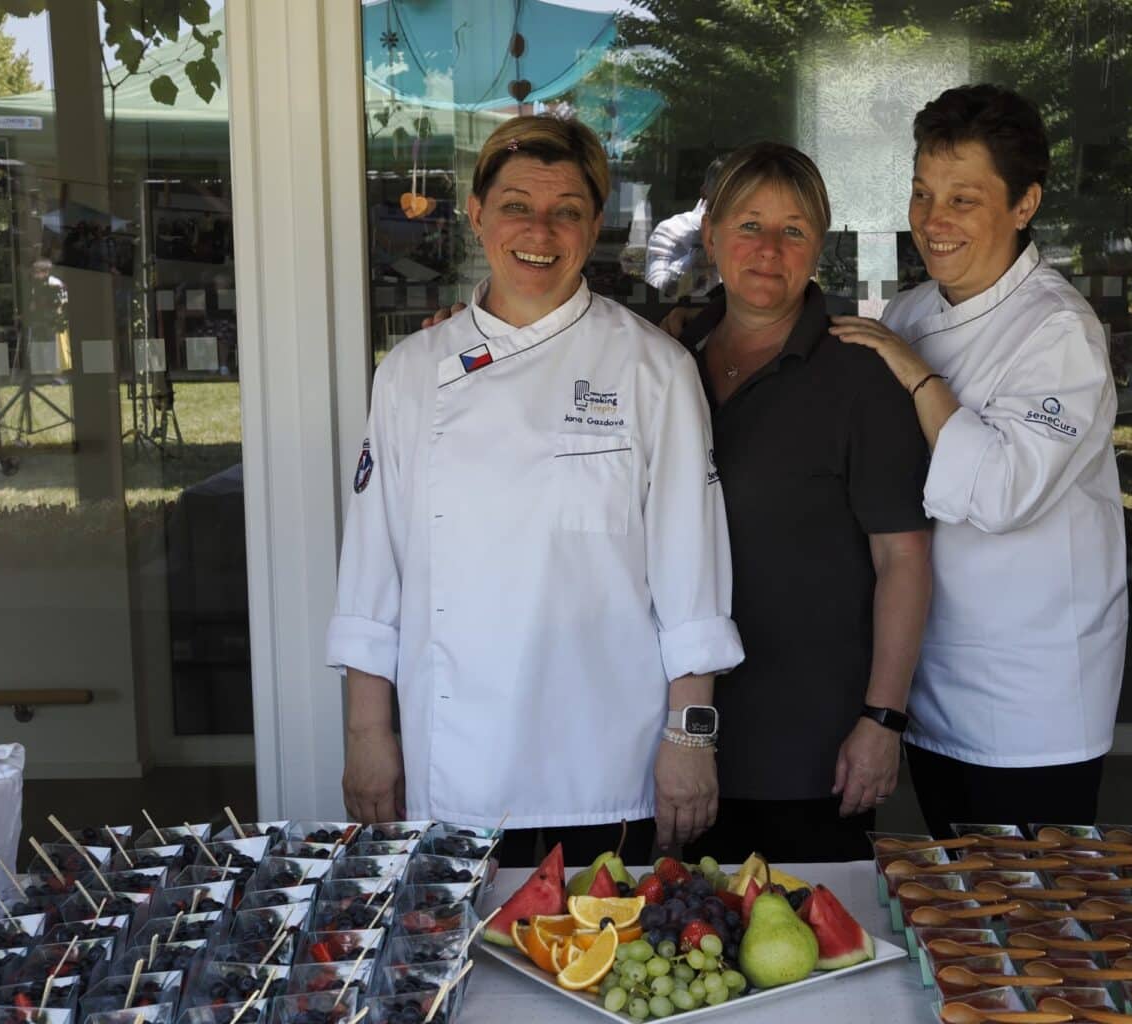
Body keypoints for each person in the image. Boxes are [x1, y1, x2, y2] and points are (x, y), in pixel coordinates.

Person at [327, 114, 744, 866]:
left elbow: (693, 581)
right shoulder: (411, 373)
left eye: (567, 211)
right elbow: (370, 574)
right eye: (516, 205)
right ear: (477, 215)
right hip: (452, 774)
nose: (540, 231)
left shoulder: (654, 369)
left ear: (595, 226)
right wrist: (366, 735)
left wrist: (690, 740)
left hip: (606, 769)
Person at [830, 84, 1128, 834]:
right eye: (922, 194)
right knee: (954, 893)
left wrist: (917, 376)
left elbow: (999, 493)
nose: (933, 221)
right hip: (932, 679)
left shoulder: (1058, 330)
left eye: (963, 200)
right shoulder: (910, 313)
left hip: (1031, 697)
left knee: (1032, 902)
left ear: (1024, 204)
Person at [679, 143, 932, 862]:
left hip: (808, 752)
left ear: (818, 246)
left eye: (793, 230)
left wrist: (882, 720)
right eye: (748, 225)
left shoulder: (860, 373)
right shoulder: (666, 358)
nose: (768, 249)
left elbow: (904, 559)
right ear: (711, 236)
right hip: (669, 744)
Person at [644, 157, 725, 299]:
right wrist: (696, 260)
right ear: (705, 192)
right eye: (724, 193)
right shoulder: (672, 230)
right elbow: (656, 295)